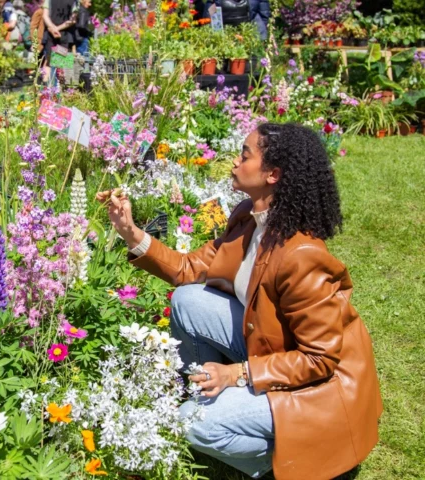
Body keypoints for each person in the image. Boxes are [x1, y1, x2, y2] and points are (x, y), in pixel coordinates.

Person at [96, 123, 382, 480]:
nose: (234, 161)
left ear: (273, 174)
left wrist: (237, 373)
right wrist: (131, 232)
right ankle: (204, 393)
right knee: (188, 299)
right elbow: (189, 269)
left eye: (245, 155)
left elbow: (319, 359)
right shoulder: (251, 219)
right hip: (274, 347)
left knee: (192, 424)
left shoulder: (302, 255)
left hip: (320, 388)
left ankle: (285, 462)